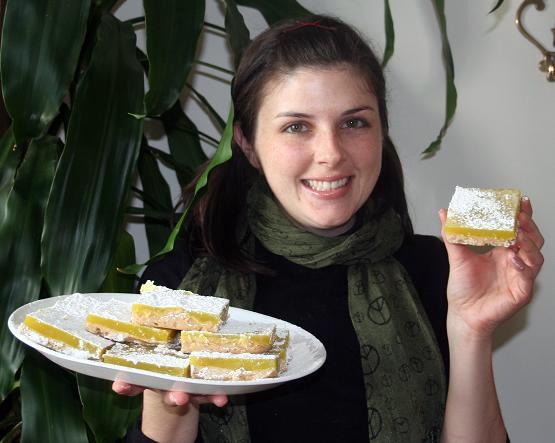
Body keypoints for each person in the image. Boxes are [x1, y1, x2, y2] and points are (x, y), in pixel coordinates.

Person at [116, 14, 544, 443]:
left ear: (382, 130)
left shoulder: (437, 269)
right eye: (296, 127)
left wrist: (472, 329)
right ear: (248, 144)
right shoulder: (181, 289)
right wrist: (166, 395)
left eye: (354, 122)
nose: (331, 153)